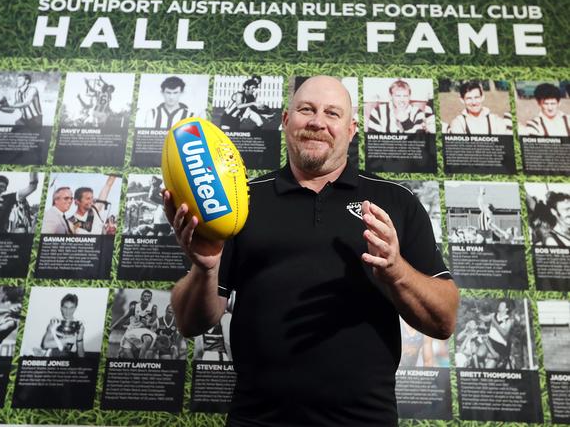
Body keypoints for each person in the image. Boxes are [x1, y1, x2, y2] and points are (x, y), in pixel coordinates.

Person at [166, 75, 459, 425]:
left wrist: (397, 272)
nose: (318, 121)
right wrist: (205, 268)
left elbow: (444, 320)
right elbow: (189, 322)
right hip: (258, 419)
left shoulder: (395, 201)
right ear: (286, 121)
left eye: (332, 113)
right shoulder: (240, 202)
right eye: (306, 109)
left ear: (351, 130)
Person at [367, 79, 435, 134]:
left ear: (409, 97)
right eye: (398, 96)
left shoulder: (417, 112)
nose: (402, 100)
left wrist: (406, 121)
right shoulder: (377, 111)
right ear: (390, 96)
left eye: (405, 96)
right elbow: (372, 138)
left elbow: (418, 142)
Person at [110, 290, 158, 359]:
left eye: (148, 296)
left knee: (138, 352)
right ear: (141, 297)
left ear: (150, 298)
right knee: (122, 352)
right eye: (144, 296)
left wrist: (149, 323)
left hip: (141, 333)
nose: (146, 298)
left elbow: (155, 319)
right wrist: (112, 327)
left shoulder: (153, 308)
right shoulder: (134, 307)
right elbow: (124, 318)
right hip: (130, 332)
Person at [41, 293, 85, 358]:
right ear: (61, 308)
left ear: (75, 308)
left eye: (71, 308)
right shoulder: (55, 322)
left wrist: (80, 337)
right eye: (65, 307)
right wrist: (68, 340)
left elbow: (81, 356)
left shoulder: (78, 326)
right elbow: (45, 344)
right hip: (51, 358)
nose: (68, 311)